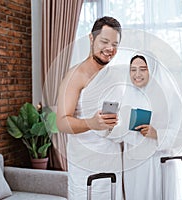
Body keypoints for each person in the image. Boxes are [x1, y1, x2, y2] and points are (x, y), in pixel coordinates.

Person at [109, 52, 182, 200]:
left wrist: (157, 134)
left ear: (153, 70)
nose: (137, 74)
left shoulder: (169, 97)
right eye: (133, 69)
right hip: (132, 166)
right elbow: (117, 131)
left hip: (158, 164)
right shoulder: (126, 95)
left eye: (143, 69)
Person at [56, 16, 124, 200]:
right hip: (85, 164)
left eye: (115, 44)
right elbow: (62, 122)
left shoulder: (115, 76)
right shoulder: (75, 76)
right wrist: (92, 123)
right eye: (104, 41)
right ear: (91, 38)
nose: (110, 49)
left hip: (113, 161)